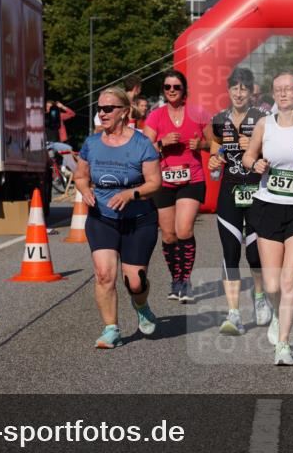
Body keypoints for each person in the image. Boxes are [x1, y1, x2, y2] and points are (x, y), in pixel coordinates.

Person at [75, 87, 162, 349]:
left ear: (124, 112)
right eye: (99, 108)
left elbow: (154, 183)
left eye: (108, 108)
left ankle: (141, 305)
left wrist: (131, 194)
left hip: (139, 219)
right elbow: (80, 176)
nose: (102, 113)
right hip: (102, 217)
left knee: (135, 282)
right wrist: (85, 190)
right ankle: (111, 329)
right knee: (104, 274)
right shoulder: (92, 143)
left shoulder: (142, 144)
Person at [242, 71, 293, 366]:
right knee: (272, 285)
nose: (284, 93)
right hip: (269, 206)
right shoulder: (265, 124)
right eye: (279, 89)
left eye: (289, 89)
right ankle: (276, 313)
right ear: (273, 94)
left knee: (289, 279)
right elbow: (248, 156)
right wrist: (255, 164)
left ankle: (284, 344)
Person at [206, 67, 273, 335]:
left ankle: (259, 296)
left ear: (252, 91)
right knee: (230, 252)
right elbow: (215, 156)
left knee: (255, 254)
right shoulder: (219, 120)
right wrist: (214, 163)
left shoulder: (263, 119)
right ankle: (233, 313)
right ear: (228, 90)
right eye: (234, 88)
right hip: (229, 192)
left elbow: (275, 155)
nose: (239, 93)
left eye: (244, 88)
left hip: (257, 191)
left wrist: (256, 148)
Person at [143, 70, 209, 303]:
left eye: (176, 87)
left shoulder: (198, 113)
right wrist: (161, 143)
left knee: (184, 231)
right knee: (169, 235)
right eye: (167, 87)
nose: (172, 90)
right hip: (163, 181)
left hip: (192, 179)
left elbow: (214, 143)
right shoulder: (156, 116)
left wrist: (201, 144)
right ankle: (176, 280)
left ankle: (186, 281)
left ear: (184, 90)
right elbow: (144, 149)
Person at [45, 99, 78, 173]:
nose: (48, 108)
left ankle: (64, 168)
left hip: (59, 141)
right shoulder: (44, 116)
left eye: (50, 107)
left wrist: (62, 106)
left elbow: (72, 114)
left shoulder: (59, 115)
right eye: (47, 106)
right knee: (52, 160)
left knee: (68, 150)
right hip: (48, 144)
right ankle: (59, 171)